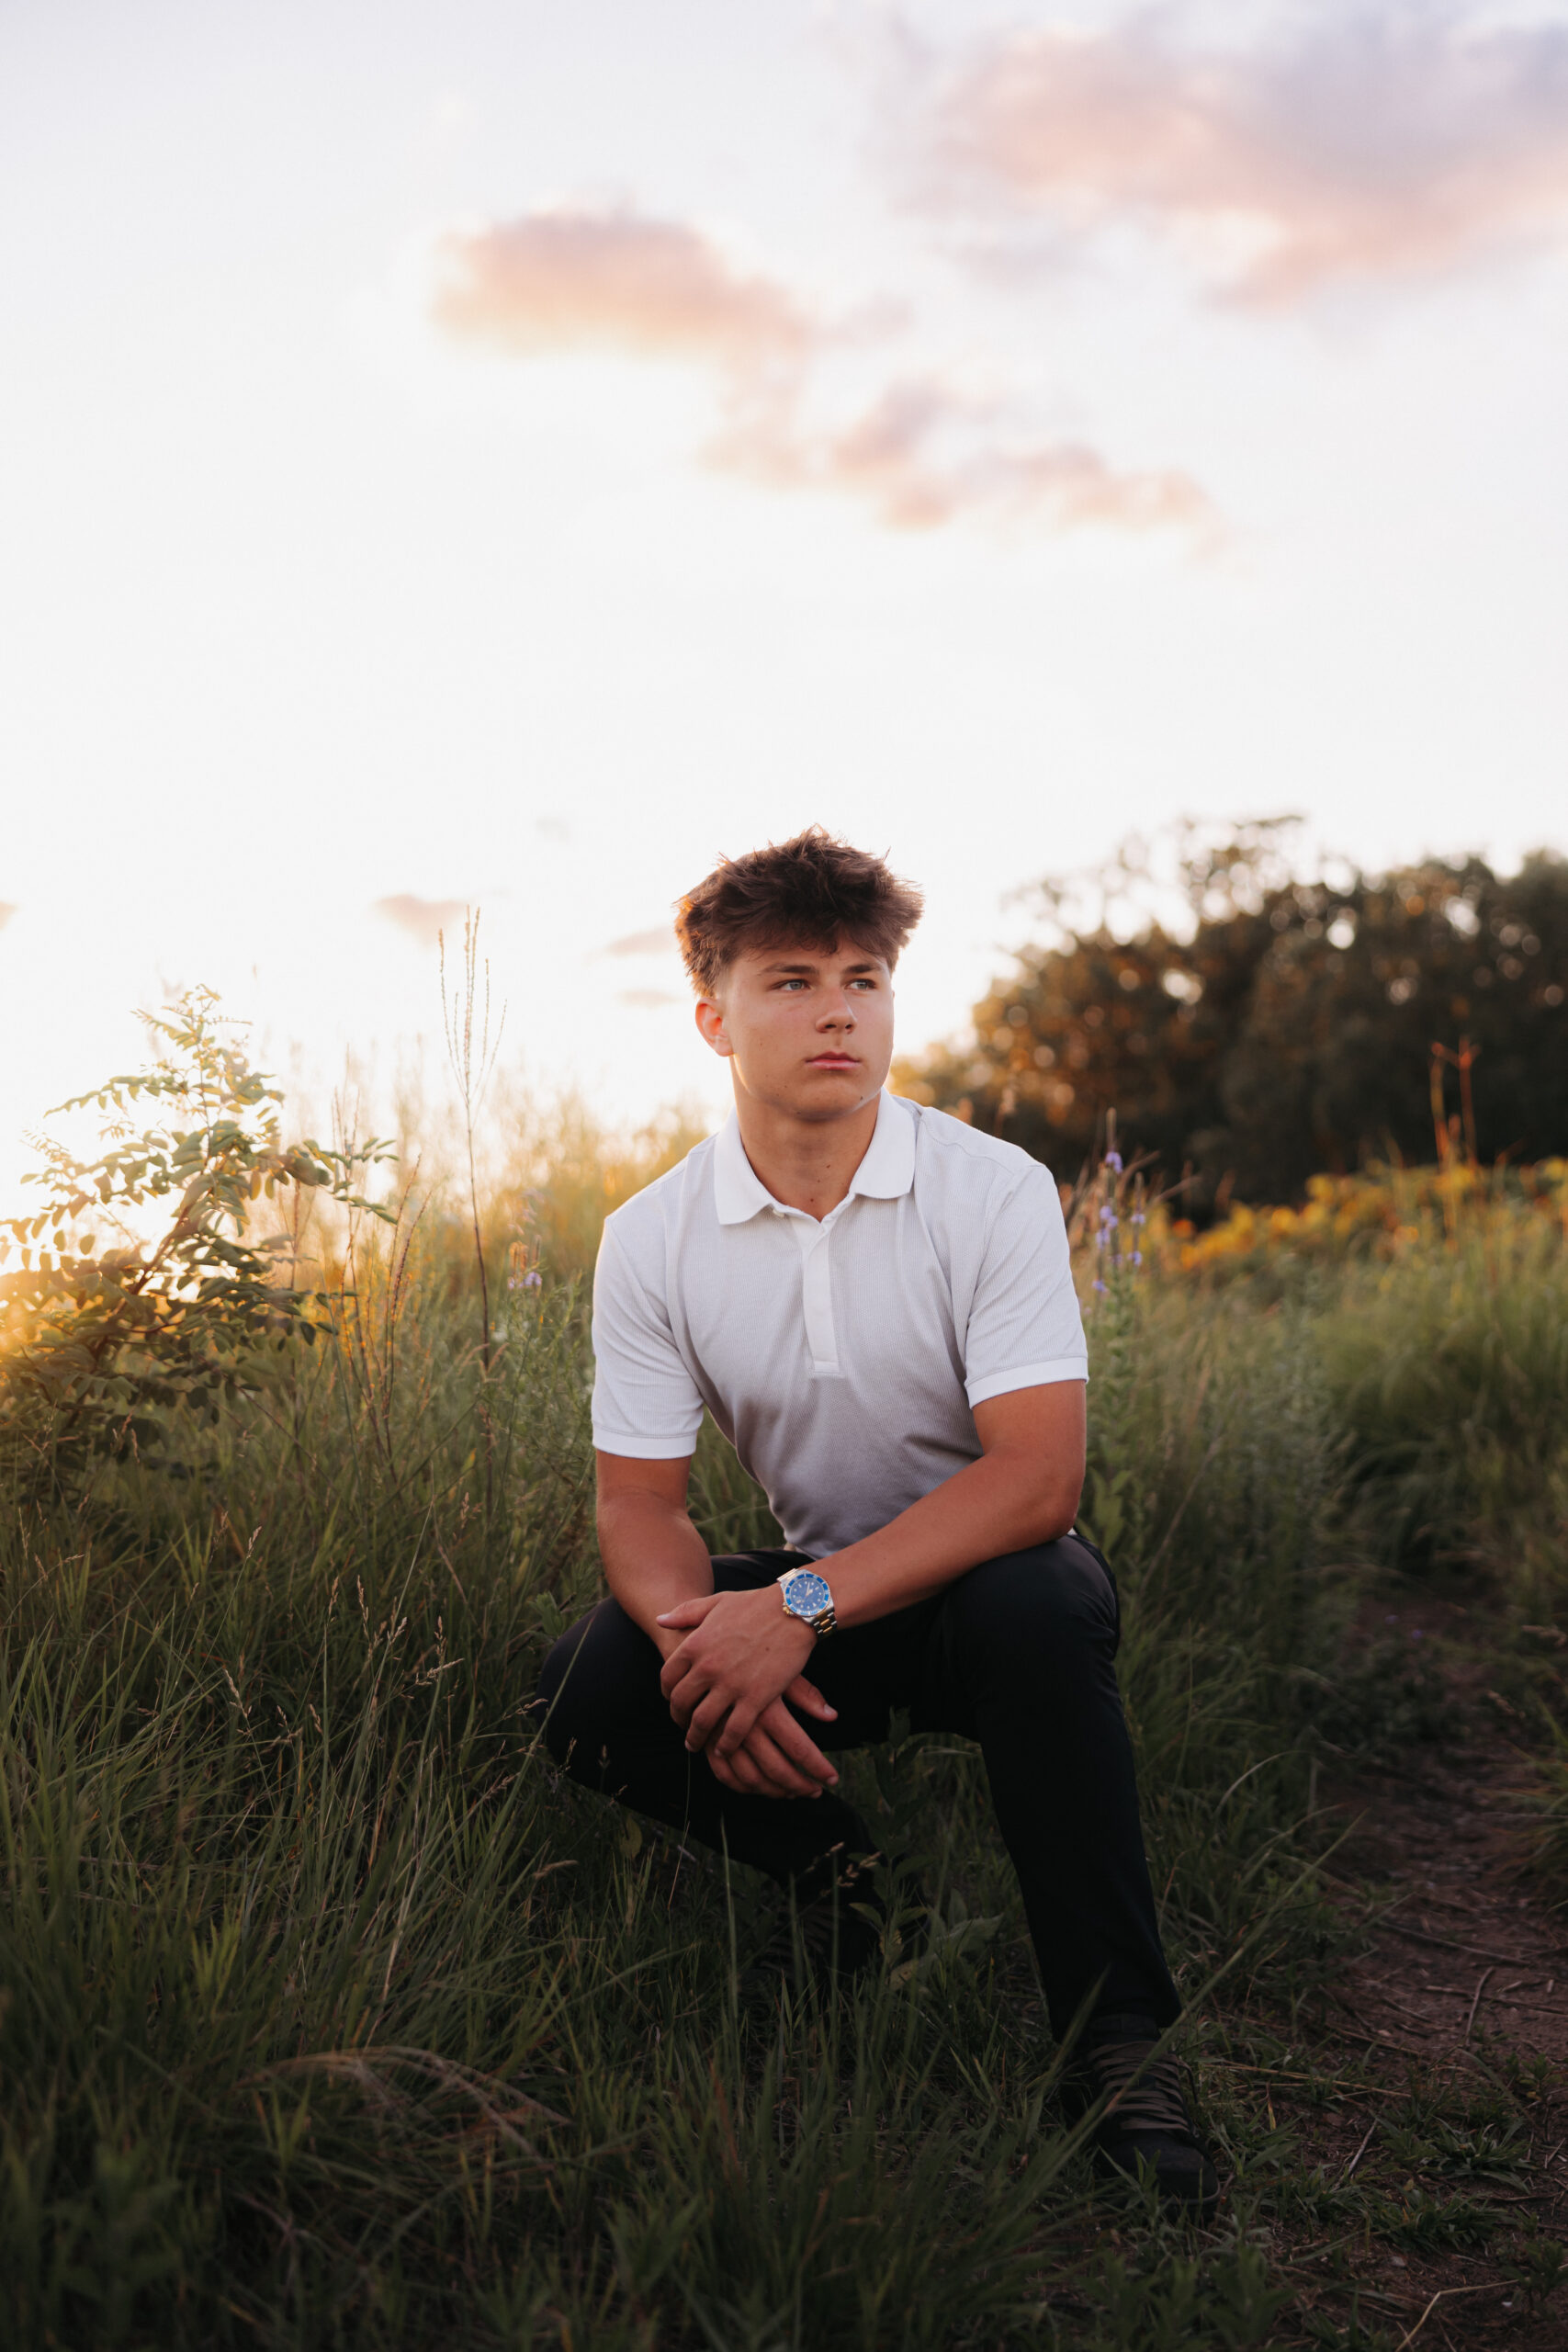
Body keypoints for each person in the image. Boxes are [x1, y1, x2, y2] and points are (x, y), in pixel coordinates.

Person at [536, 828, 1217, 2215]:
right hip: (823, 1604)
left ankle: (1120, 2046)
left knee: (1037, 1600)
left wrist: (791, 1612)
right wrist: (701, 1645)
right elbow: (639, 1502)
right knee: (585, 1677)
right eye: (790, 980)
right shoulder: (655, 1235)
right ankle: (850, 1901)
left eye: (864, 976)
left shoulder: (992, 1189)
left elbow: (1037, 1482)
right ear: (713, 1016)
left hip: (988, 1592)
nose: (838, 1008)